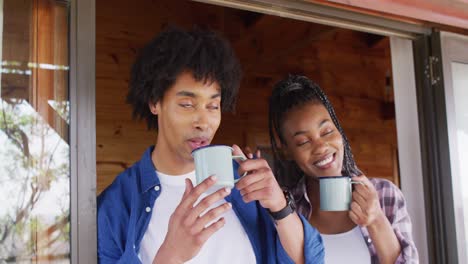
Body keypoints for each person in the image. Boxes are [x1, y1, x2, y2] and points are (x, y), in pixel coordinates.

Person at [97, 27, 324, 264]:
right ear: (155, 103)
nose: (203, 122)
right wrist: (170, 257)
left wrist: (280, 206)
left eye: (213, 106)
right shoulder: (117, 204)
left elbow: (310, 260)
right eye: (187, 104)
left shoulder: (244, 182)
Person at [267, 75, 418, 263]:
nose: (321, 147)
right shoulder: (285, 210)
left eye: (327, 131)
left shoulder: (385, 194)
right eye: (303, 141)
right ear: (288, 152)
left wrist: (376, 219)